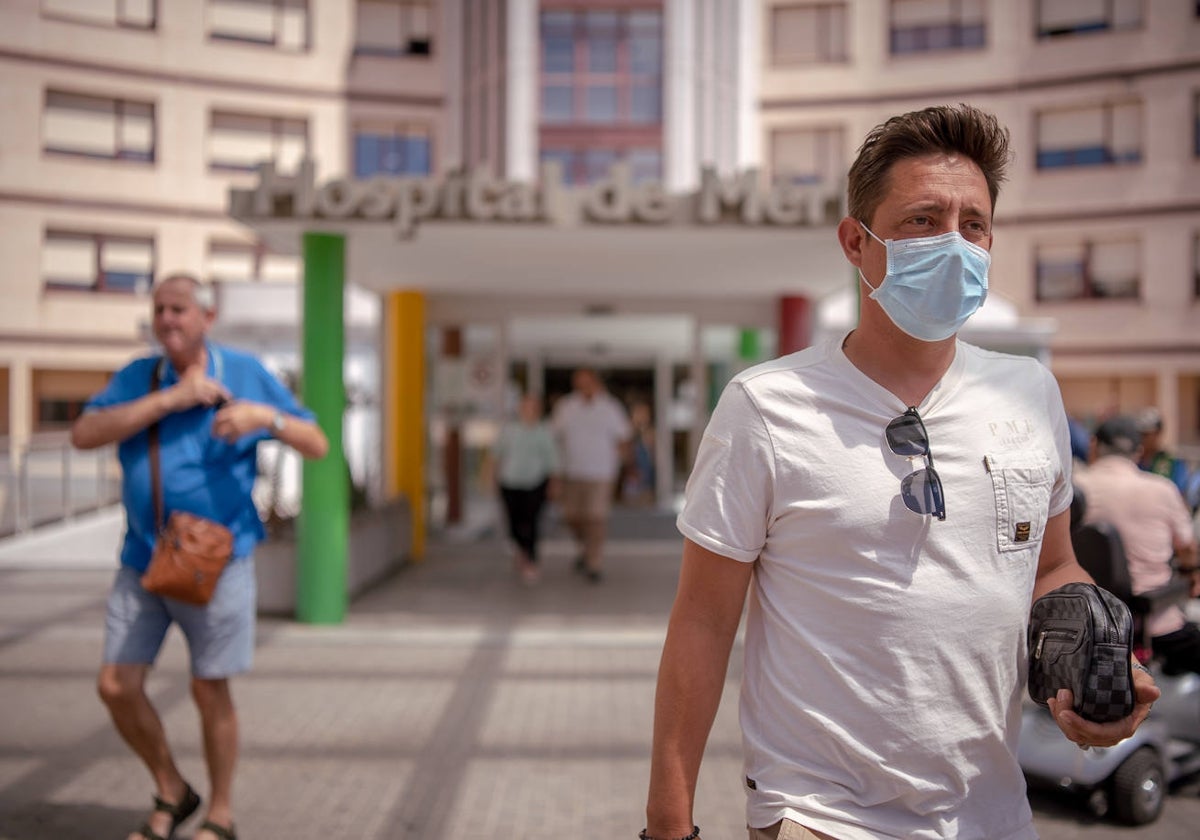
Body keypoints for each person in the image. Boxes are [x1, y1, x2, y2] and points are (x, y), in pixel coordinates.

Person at [643, 104, 1159, 840]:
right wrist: (668, 819)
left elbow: (1052, 564)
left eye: (973, 224)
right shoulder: (765, 407)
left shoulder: (1029, 393)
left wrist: (1095, 660)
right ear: (857, 242)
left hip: (993, 810)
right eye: (923, 219)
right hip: (822, 814)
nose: (954, 242)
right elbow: (703, 620)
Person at [71, 273, 328, 840]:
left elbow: (316, 442)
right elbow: (84, 432)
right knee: (115, 684)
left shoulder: (244, 371)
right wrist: (169, 399)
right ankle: (171, 788)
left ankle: (221, 814)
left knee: (209, 687)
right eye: (160, 309)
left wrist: (266, 419)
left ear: (206, 318)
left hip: (218, 561)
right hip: (144, 560)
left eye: (179, 309)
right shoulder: (142, 376)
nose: (168, 319)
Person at [1074, 414, 1200, 676]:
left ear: (1094, 445)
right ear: (1139, 451)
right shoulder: (1162, 489)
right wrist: (1190, 574)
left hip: (1087, 629)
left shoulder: (1072, 489)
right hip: (1157, 626)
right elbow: (1187, 549)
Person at [550, 367, 632, 583]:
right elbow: (555, 439)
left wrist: (624, 470)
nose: (582, 385)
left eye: (586, 381)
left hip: (601, 473)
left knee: (596, 517)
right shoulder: (566, 407)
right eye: (578, 381)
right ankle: (584, 549)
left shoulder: (610, 407)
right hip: (572, 471)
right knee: (572, 517)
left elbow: (622, 439)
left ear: (595, 382)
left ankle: (594, 562)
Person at [489, 392, 560, 584]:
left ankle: (531, 558)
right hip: (510, 482)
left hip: (534, 482)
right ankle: (520, 550)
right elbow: (497, 455)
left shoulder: (544, 432)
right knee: (514, 522)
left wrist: (553, 484)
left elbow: (552, 460)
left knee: (531, 522)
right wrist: (491, 478)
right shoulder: (509, 430)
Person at [1134, 406, 1192, 496]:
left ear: (1158, 433)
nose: (1142, 438)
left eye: (1146, 434)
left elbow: (1180, 493)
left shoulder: (1173, 463)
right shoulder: (1132, 462)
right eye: (1140, 434)